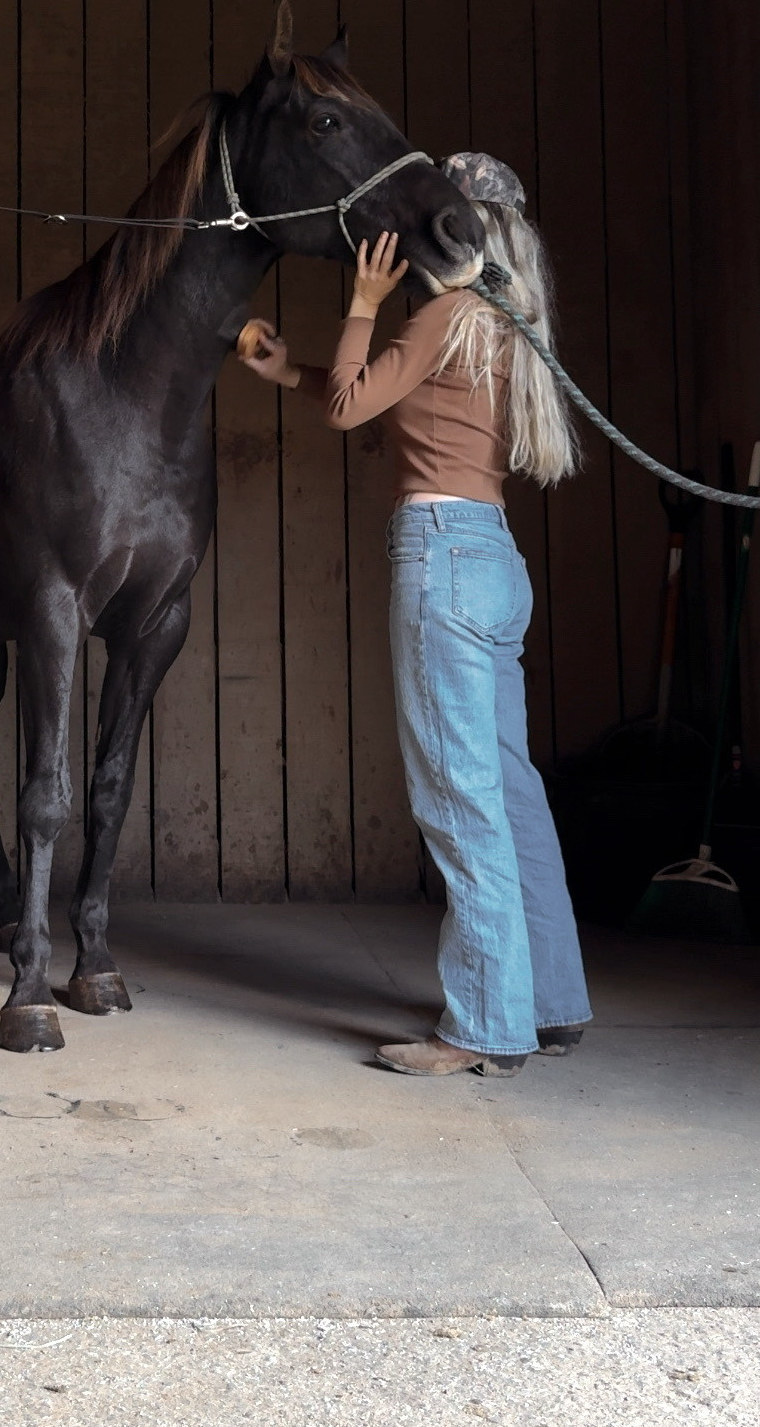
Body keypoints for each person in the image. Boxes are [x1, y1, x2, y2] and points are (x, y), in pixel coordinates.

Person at [240, 152, 591, 1078]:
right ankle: (548, 1001)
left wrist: (360, 303)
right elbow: (392, 397)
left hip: (440, 557)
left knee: (457, 798)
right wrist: (288, 370)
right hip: (493, 558)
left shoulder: (443, 314)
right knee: (509, 792)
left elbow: (350, 406)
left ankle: (482, 1026)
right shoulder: (506, 323)